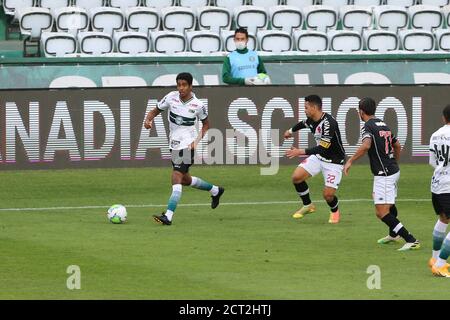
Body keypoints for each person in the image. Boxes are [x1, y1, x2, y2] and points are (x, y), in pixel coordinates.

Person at [144, 72, 225, 226]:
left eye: (184, 85)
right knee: (185, 179)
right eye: (179, 85)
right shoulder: (171, 97)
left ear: (190, 86)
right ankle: (215, 190)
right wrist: (147, 120)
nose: (181, 88)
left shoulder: (198, 105)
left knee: (176, 176)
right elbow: (154, 111)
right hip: (174, 145)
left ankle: (168, 215)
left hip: (188, 146)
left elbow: (207, 124)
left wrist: (196, 141)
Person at [344, 97, 420, 251]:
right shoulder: (383, 125)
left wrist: (350, 160)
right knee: (389, 204)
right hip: (391, 170)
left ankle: (411, 239)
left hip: (384, 173)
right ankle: (393, 234)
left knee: (381, 212)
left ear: (361, 111)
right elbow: (397, 145)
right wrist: (394, 162)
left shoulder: (368, 126)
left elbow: (366, 145)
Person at [284, 95, 345, 224]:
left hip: (334, 162)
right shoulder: (311, 119)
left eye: (306, 107)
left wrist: (299, 152)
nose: (304, 110)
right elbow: (303, 123)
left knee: (328, 195)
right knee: (296, 177)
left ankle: (334, 211)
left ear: (314, 107)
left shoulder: (329, 123)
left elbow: (323, 148)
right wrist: (290, 131)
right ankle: (308, 205)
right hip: (318, 157)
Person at [428, 104, 450, 277]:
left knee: (443, 219)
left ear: (444, 118)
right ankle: (441, 264)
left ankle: (435, 259)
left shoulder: (435, 135)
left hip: (437, 184)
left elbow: (432, 162)